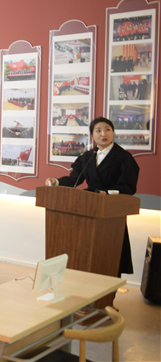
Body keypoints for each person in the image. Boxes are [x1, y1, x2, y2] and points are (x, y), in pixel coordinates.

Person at [45, 117, 140, 276]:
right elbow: (75, 179)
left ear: (113, 133)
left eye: (107, 130)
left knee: (110, 256)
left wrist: (107, 193)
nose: (103, 134)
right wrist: (56, 182)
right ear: (92, 135)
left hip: (111, 212)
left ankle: (110, 288)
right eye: (98, 130)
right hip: (88, 209)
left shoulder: (124, 157)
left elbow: (128, 187)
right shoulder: (87, 156)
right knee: (87, 253)